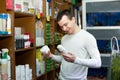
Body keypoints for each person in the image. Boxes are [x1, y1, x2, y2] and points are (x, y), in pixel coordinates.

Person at [42, 9, 101, 80]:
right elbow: (64, 59)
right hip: (61, 78)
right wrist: (51, 56)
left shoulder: (87, 37)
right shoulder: (64, 38)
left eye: (65, 24)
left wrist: (76, 60)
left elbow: (98, 62)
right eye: (61, 27)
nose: (64, 29)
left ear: (73, 19)